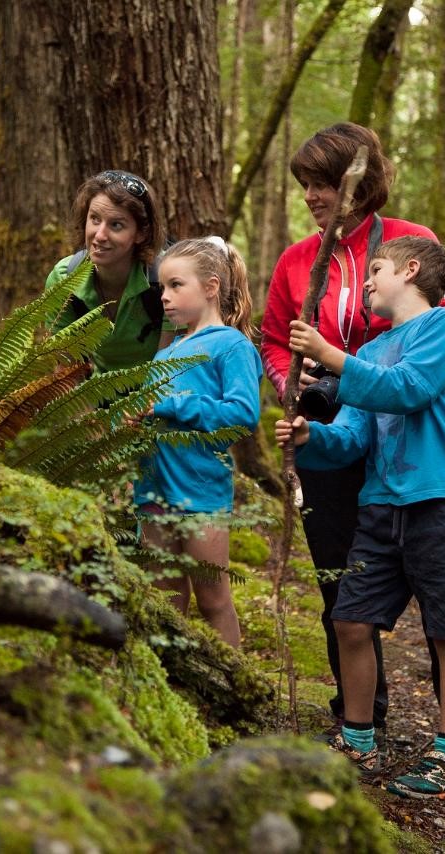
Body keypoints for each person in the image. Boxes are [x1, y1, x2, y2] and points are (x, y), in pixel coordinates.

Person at [259, 122, 445, 769]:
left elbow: (435, 341)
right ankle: (360, 717)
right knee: (347, 586)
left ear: (359, 181)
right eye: (305, 184)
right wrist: (297, 386)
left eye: (325, 182)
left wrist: (342, 362)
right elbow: (277, 338)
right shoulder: (295, 261)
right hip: (341, 416)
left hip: (416, 447)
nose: (312, 195)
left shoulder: (410, 245)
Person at [276, 236, 445, 798]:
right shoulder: (368, 356)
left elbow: (409, 389)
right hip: (381, 505)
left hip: (443, 502)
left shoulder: (444, 329)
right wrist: (309, 436)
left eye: (375, 270)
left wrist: (328, 356)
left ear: (411, 270)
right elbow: (352, 437)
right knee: (350, 620)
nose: (365, 282)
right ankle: (359, 739)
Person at [134, 237, 262, 648]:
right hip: (153, 490)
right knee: (164, 602)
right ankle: (174, 694)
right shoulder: (166, 352)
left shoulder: (232, 345)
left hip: (201, 491)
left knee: (213, 600)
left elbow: (243, 415)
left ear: (210, 287)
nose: (165, 297)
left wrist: (174, 406)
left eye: (175, 285)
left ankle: (239, 695)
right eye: (162, 288)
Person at [45, 170, 178, 372]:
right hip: (98, 395)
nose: (99, 235)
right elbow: (65, 375)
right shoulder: (64, 278)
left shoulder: (166, 279)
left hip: (157, 396)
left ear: (141, 233)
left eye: (116, 225)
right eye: (95, 219)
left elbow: (167, 369)